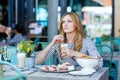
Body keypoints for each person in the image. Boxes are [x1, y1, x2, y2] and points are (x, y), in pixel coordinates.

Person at [35, 12, 102, 67]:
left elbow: (99, 63)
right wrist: (52, 43)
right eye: (63, 22)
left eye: (69, 21)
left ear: (76, 24)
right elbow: (37, 61)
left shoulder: (86, 41)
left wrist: (75, 53)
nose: (65, 24)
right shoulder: (59, 41)